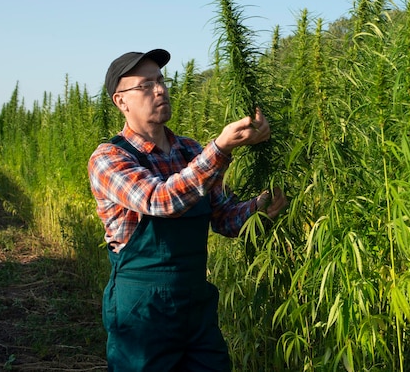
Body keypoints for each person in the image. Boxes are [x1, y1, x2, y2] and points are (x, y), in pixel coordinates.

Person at [87, 48, 287, 371]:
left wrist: (260, 209)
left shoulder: (192, 151)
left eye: (161, 80)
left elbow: (223, 217)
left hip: (196, 311)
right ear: (120, 101)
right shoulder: (109, 159)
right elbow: (160, 200)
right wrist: (222, 147)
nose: (160, 89)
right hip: (142, 315)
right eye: (145, 85)